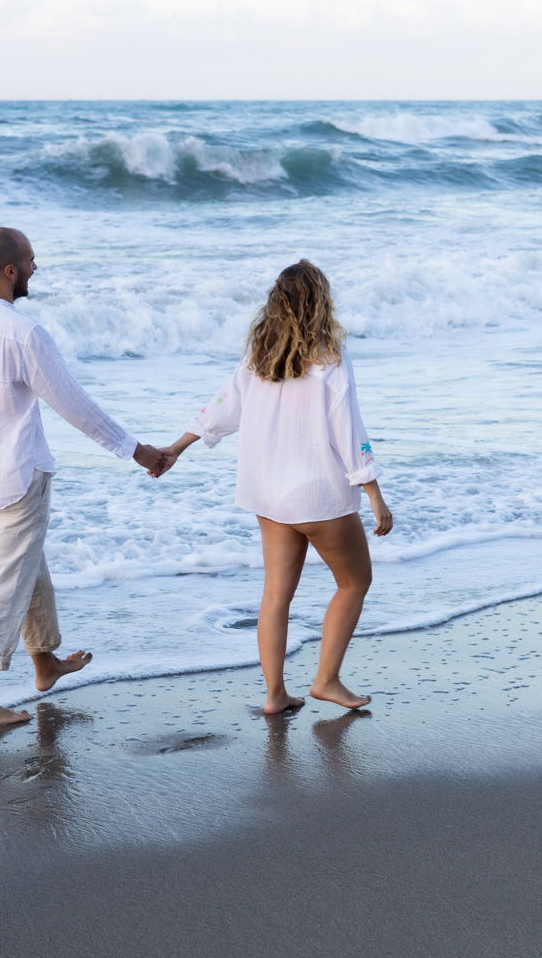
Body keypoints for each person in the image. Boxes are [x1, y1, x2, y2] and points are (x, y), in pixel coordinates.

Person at [0, 228, 169, 729]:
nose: (36, 269)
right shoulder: (22, 332)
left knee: (27, 568)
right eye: (32, 262)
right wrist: (137, 451)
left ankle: (44, 663)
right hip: (19, 470)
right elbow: (73, 403)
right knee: (3, 582)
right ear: (10, 270)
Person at [159, 260, 392, 715]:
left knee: (275, 595)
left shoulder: (258, 356)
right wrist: (373, 492)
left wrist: (176, 447)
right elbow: (348, 428)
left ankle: (274, 694)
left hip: (268, 493)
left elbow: (220, 408)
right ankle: (326, 680)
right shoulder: (329, 357)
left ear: (276, 304)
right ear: (319, 303)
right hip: (317, 494)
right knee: (354, 581)